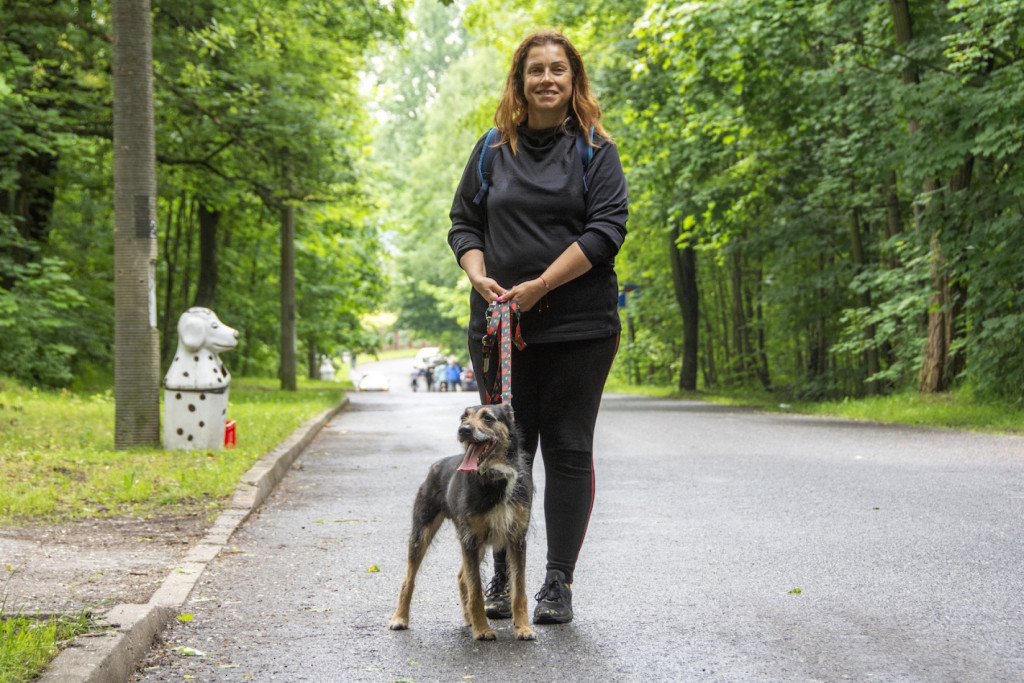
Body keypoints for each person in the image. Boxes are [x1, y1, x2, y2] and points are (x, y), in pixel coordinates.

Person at [447, 29, 628, 625]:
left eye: (558, 70)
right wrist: (479, 276)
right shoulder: (491, 151)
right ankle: (504, 580)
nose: (547, 79)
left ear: (574, 80)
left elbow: (605, 231)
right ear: (519, 81)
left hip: (580, 328)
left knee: (570, 450)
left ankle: (556, 583)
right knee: (502, 451)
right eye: (535, 70)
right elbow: (463, 225)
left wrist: (542, 285)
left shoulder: (596, 150)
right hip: (499, 329)